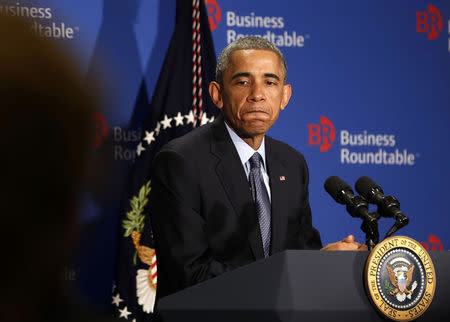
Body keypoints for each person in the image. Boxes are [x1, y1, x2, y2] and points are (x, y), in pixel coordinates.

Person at [149, 36, 366, 302]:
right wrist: (287, 278)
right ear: (217, 94)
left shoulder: (292, 163)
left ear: (284, 96)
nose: (257, 95)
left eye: (270, 82)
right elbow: (191, 274)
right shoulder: (180, 161)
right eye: (242, 82)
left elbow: (300, 253)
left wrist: (327, 262)